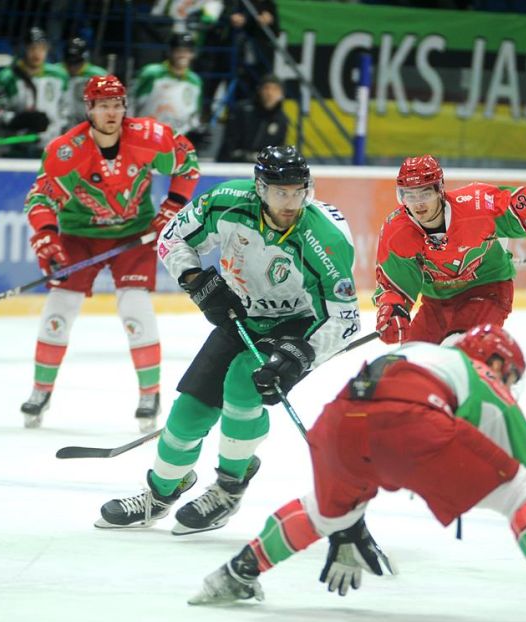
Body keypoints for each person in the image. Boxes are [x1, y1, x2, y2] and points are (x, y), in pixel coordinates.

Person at [188, 324, 526, 622]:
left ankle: (234, 574)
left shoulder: (418, 351)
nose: (509, 385)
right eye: (510, 375)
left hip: (339, 421)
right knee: (524, 492)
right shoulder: (480, 373)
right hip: (412, 422)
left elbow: (369, 407)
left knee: (328, 512)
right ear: (496, 361)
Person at [95, 145, 360, 537]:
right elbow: (172, 239)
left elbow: (346, 319)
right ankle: (160, 493)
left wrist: (301, 354)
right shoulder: (227, 202)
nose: (290, 202)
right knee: (187, 414)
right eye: (279, 192)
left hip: (299, 325)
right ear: (259, 188)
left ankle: (228, 487)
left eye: (297, 191)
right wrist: (195, 279)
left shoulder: (325, 240)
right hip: (243, 316)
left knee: (242, 382)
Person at [19, 74, 200, 432]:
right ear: (89, 109)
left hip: (133, 235)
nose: (111, 112)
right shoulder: (68, 150)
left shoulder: (149, 137)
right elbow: (41, 197)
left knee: (134, 304)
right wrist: (46, 238)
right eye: (103, 105)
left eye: (117, 104)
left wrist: (172, 207)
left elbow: (187, 163)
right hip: (79, 235)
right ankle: (41, 390)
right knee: (61, 305)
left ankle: (150, 394)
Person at [374, 154, 526, 346]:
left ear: (440, 189)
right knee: (408, 362)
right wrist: (392, 308)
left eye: (425, 193)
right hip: (436, 303)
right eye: (409, 195)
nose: (418, 204)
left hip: (487, 289)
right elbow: (394, 286)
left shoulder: (477, 205)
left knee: (458, 350)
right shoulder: (397, 231)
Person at [0, 27, 68, 156]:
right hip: (13, 149)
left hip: (49, 149)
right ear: (24, 48)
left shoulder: (58, 76)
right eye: (32, 48)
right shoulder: (6, 77)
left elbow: (65, 111)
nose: (37, 53)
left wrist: (56, 131)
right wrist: (19, 120)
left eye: (42, 48)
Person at [134, 32, 203, 137]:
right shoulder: (152, 74)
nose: (182, 55)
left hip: (177, 140)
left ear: (192, 54)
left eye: (187, 51)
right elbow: (132, 102)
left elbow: (194, 114)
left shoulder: (195, 81)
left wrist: (195, 130)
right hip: (147, 136)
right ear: (170, 52)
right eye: (179, 50)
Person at [216, 73, 287, 163]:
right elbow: (229, 145)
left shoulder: (282, 120)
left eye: (275, 89)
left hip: (262, 168)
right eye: (266, 88)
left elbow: (278, 151)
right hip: (232, 164)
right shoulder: (241, 110)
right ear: (259, 90)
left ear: (282, 94)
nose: (270, 93)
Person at [57, 37, 107, 131]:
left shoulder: (98, 75)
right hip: (60, 128)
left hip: (88, 127)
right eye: (69, 63)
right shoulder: (56, 73)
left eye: (76, 63)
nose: (72, 67)